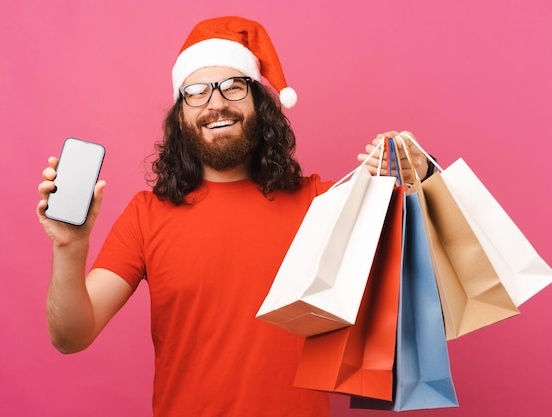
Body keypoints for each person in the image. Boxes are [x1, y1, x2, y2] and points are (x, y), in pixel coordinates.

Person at [37, 16, 433, 417]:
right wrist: (70, 247)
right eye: (196, 92)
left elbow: (426, 266)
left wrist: (422, 173)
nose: (216, 102)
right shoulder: (146, 215)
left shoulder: (322, 201)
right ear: (180, 116)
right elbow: (71, 337)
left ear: (259, 105)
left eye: (233, 86)